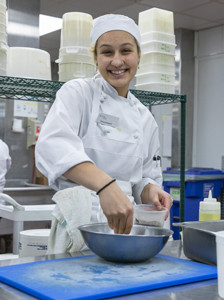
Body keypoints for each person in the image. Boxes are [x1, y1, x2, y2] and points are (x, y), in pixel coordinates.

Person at [35, 14, 173, 235]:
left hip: (125, 227)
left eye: (126, 51)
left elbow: (142, 179)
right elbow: (52, 146)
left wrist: (151, 191)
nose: (117, 61)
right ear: (96, 58)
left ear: (138, 56)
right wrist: (106, 186)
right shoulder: (78, 93)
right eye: (107, 52)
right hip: (76, 223)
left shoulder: (145, 118)